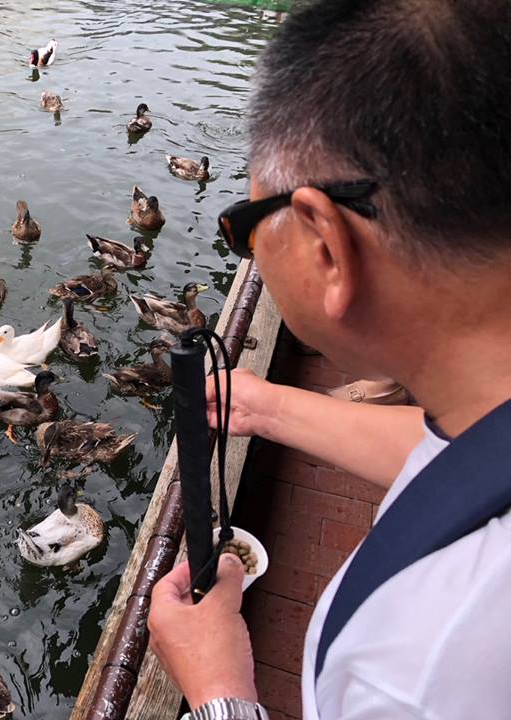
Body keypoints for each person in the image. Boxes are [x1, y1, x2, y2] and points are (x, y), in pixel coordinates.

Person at [147, 1, 511, 719]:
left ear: (324, 242)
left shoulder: (415, 662)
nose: (248, 247)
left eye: (245, 227)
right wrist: (265, 405)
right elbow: (466, 457)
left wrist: (220, 689)